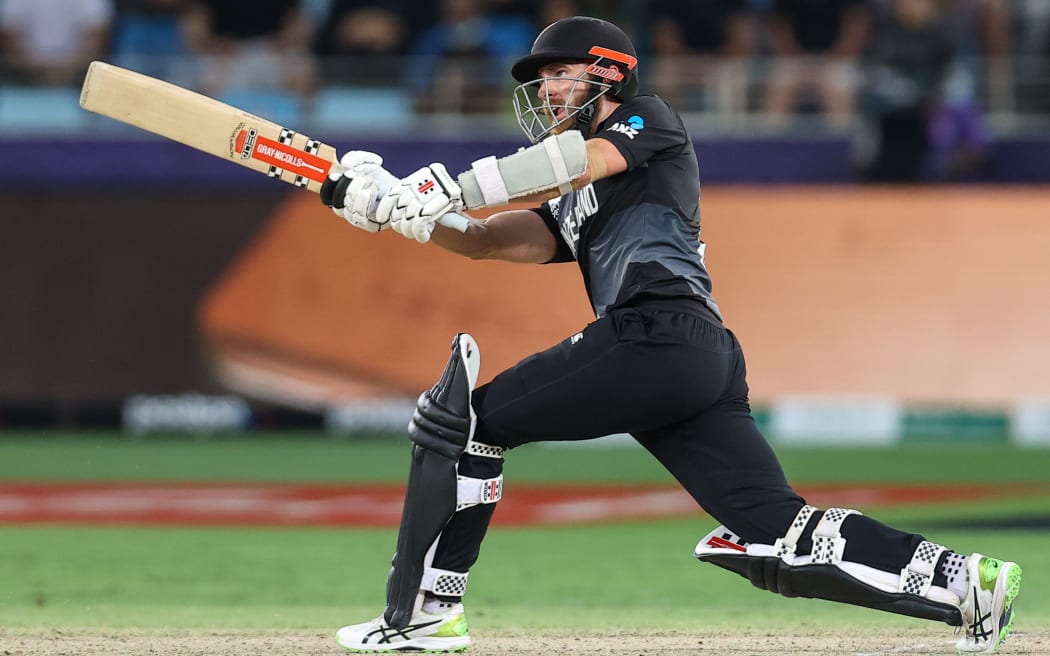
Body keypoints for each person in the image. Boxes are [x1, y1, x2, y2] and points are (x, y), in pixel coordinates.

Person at [319, 15, 1022, 654]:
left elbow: (577, 163)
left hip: (656, 332)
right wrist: (390, 210)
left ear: (608, 73)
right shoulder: (576, 196)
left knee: (469, 423)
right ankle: (969, 584)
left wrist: (446, 187)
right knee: (775, 525)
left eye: (558, 74)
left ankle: (426, 616)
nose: (547, 89)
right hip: (693, 358)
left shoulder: (649, 121)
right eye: (542, 79)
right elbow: (486, 243)